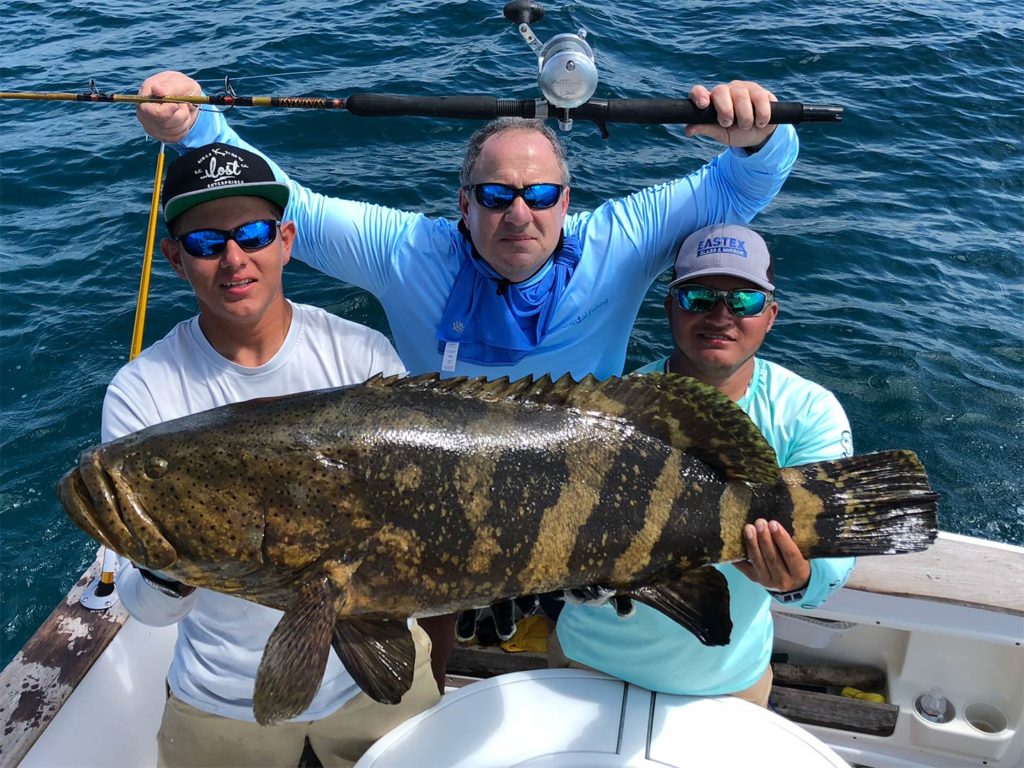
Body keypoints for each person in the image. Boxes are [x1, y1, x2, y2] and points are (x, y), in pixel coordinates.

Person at [135, 69, 800, 690]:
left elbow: (744, 185)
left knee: (582, 645)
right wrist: (198, 129)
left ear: (566, 202)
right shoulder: (410, 252)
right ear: (464, 203)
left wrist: (760, 132)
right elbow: (293, 214)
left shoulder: (617, 241)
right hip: (441, 512)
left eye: (540, 196)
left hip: (584, 496)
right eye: (496, 196)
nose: (520, 214)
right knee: (426, 650)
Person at [106, 143, 440, 767]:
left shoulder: (359, 358)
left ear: (285, 240)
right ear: (174, 257)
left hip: (369, 675)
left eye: (253, 234)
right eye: (206, 243)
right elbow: (144, 609)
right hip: (220, 700)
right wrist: (168, 556)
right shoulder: (142, 392)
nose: (234, 259)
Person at [549, 223, 856, 706]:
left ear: (771, 315)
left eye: (745, 302)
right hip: (587, 663)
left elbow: (834, 561)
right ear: (670, 306)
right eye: (698, 298)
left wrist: (796, 582)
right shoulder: (609, 409)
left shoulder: (809, 412)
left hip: (728, 687)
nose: (721, 316)